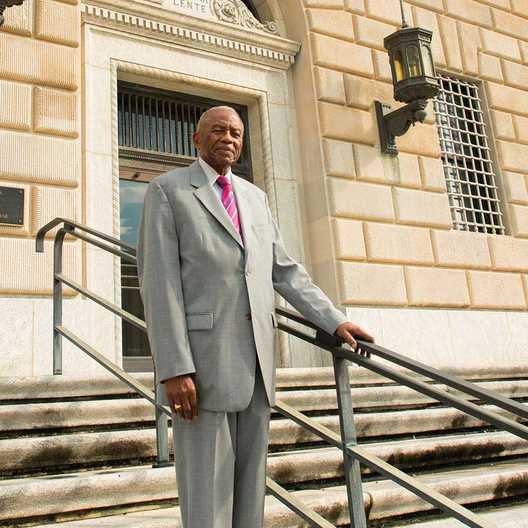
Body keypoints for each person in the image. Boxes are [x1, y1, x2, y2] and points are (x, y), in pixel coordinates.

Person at [137, 105, 374, 528]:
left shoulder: (255, 197)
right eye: (217, 130)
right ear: (196, 139)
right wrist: (173, 368)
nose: (227, 138)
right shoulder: (166, 192)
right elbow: (159, 285)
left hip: (258, 368)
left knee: (250, 497)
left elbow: (284, 270)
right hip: (199, 371)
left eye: (235, 132)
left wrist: (333, 320)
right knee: (207, 497)